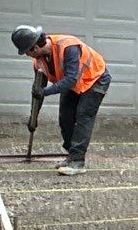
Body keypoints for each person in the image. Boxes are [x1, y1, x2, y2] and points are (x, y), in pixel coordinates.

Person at [11, 25, 112, 176]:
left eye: (27, 52)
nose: (28, 55)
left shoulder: (68, 46)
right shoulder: (39, 62)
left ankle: (78, 161)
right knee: (65, 118)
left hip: (95, 79)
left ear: (34, 49)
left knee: (84, 116)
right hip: (75, 84)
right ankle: (71, 156)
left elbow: (70, 79)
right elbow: (38, 91)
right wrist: (33, 118)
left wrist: (45, 92)